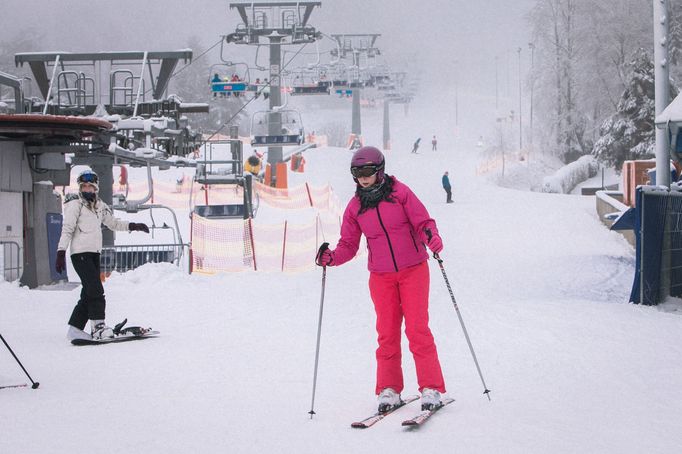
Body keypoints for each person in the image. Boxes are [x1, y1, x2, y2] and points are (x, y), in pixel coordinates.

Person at [315, 146, 446, 413]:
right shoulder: (355, 208)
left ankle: (430, 388)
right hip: (381, 276)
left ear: (380, 170)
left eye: (367, 172)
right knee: (386, 333)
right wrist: (331, 257)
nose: (363, 178)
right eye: (357, 173)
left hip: (414, 269)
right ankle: (389, 389)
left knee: (417, 330)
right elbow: (348, 245)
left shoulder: (401, 194)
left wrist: (431, 236)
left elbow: (423, 222)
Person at [55, 169, 150, 342]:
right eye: (83, 186)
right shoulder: (75, 204)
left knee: (88, 292)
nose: (86, 190)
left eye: (90, 187)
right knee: (96, 290)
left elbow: (113, 223)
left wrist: (133, 226)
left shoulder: (99, 206)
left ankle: (75, 329)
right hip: (80, 254)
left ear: (95, 188)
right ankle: (98, 327)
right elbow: (67, 229)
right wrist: (61, 252)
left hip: (93, 254)